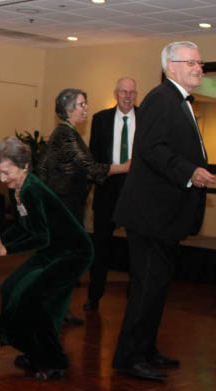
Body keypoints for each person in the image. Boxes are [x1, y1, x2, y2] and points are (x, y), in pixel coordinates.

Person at [112, 41, 213, 382]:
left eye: (201, 62)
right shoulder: (160, 98)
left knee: (157, 286)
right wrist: (190, 171)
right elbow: (151, 149)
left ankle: (146, 349)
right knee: (146, 287)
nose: (199, 67)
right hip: (150, 215)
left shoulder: (176, 100)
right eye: (193, 62)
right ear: (172, 67)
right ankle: (129, 357)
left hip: (164, 216)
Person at [0, 137, 93, 381]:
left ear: (24, 166)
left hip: (73, 253)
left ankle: (54, 361)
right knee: (11, 288)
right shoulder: (17, 188)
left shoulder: (32, 189)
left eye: (6, 172)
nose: (3, 179)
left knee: (37, 300)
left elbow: (40, 237)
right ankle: (32, 351)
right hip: (53, 250)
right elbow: (23, 226)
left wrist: (5, 249)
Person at [36, 88, 129, 326]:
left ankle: (58, 308)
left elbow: (44, 169)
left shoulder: (65, 133)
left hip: (65, 205)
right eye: (81, 104)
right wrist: (127, 166)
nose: (86, 108)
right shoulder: (66, 134)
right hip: (65, 206)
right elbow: (92, 168)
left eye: (86, 104)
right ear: (68, 109)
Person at [85, 77, 138, 312]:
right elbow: (93, 159)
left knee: (137, 249)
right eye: (124, 92)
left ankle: (135, 298)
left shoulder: (147, 119)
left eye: (132, 92)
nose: (127, 96)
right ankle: (94, 297)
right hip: (107, 189)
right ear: (116, 93)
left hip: (136, 191)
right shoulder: (101, 119)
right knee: (101, 247)